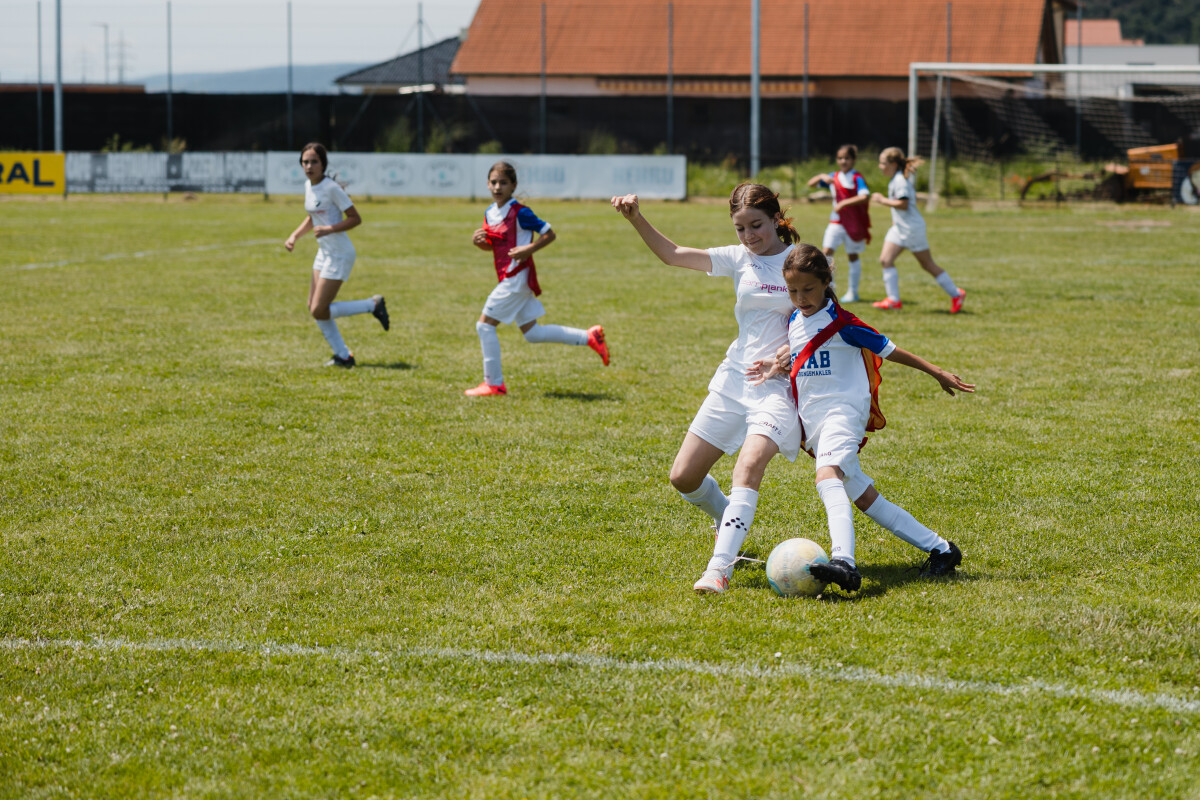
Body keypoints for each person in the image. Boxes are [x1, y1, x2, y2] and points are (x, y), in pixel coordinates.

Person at [749, 243, 974, 593]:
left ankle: (844, 562)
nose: (800, 297)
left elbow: (892, 349)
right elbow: (801, 351)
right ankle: (942, 550)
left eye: (808, 289)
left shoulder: (844, 324)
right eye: (793, 291)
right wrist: (778, 363)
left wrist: (937, 372)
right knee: (866, 499)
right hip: (817, 425)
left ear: (826, 281)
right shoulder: (795, 320)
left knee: (827, 477)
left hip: (843, 415)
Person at [612, 184, 803, 595]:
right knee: (683, 476)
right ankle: (723, 516)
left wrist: (785, 355)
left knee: (747, 468)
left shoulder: (800, 261)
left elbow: (823, 321)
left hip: (777, 388)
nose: (749, 236)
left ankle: (720, 568)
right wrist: (636, 219)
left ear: (776, 219)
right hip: (734, 379)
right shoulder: (738, 258)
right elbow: (674, 255)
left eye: (757, 225)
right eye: (740, 228)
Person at [466, 161, 609, 396]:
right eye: (493, 182)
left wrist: (528, 249)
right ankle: (590, 337)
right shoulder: (489, 213)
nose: (497, 187)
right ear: (487, 184)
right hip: (508, 278)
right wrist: (478, 243)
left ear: (513, 185)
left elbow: (549, 234)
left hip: (516, 279)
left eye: (503, 182)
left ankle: (494, 384)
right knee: (532, 333)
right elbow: (494, 248)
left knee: (484, 326)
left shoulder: (521, 212)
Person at [284, 142, 388, 367]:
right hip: (324, 252)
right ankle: (343, 356)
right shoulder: (308, 186)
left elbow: (355, 218)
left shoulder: (331, 188)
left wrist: (329, 229)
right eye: (305, 162)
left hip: (340, 253)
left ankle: (372, 305)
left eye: (314, 162)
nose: (309, 166)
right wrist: (294, 236)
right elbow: (313, 217)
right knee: (314, 307)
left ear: (323, 164)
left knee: (319, 309)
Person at [870, 146, 967, 313]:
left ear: (893, 164)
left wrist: (882, 200)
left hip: (912, 229)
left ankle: (956, 293)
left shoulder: (900, 181)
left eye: (882, 163)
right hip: (899, 228)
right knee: (886, 260)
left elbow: (903, 203)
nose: (880, 166)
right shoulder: (895, 179)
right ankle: (893, 300)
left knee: (927, 264)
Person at [807, 144, 871, 303]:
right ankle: (830, 289)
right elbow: (811, 184)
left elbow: (864, 196)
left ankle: (853, 292)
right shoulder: (833, 177)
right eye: (840, 158)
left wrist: (844, 203)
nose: (843, 161)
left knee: (852, 255)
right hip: (836, 221)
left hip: (852, 223)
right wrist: (821, 176)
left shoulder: (857, 178)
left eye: (847, 158)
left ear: (853, 160)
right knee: (826, 253)